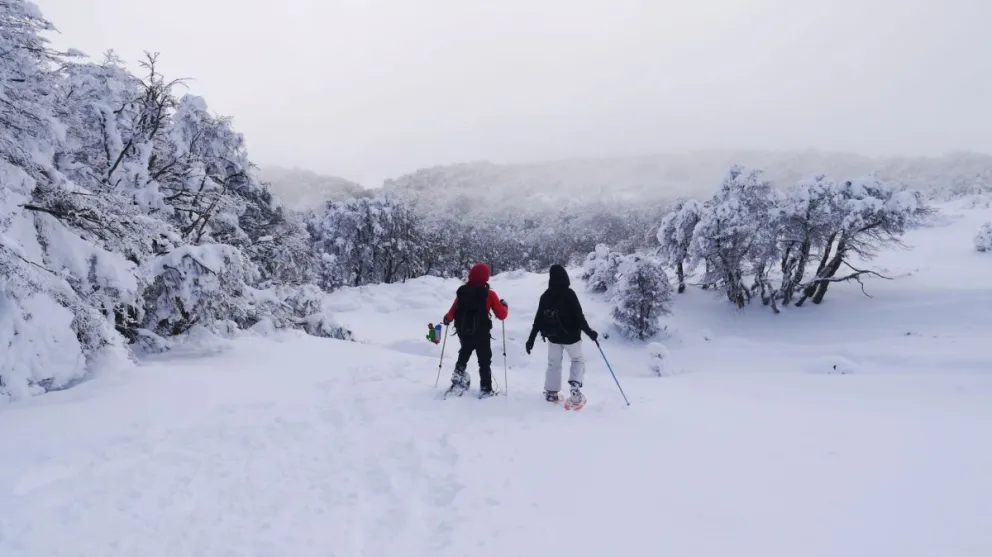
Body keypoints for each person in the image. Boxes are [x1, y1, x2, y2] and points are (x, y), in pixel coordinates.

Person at [525, 264, 598, 406]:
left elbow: (538, 320)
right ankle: (575, 390)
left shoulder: (545, 296)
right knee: (577, 359)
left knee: (554, 363)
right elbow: (579, 317)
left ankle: (551, 393)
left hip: (553, 337)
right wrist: (590, 333)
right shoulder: (569, 294)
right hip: (571, 337)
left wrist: (531, 340)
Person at [442, 263, 508, 398]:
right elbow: (502, 315)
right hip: (482, 334)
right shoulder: (489, 294)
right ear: (486, 277)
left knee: (464, 352)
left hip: (464, 332)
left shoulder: (462, 291)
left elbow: (452, 311)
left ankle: (458, 375)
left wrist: (447, 319)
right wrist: (504, 306)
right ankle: (485, 388)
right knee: (484, 361)